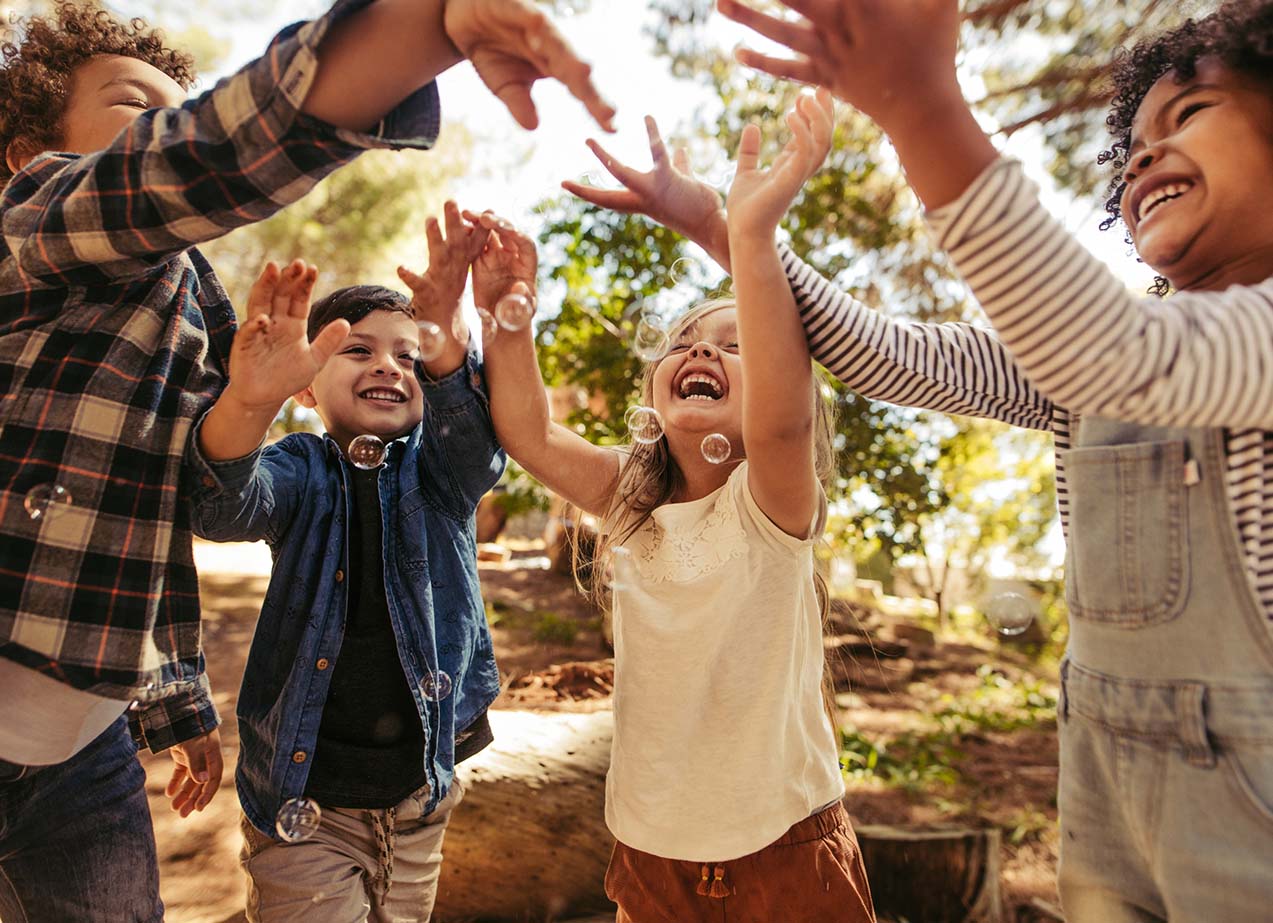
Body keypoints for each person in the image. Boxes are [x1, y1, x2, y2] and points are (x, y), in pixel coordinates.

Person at [577, 0, 1273, 918]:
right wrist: (724, 229)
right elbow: (885, 352)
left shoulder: (1217, 336)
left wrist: (922, 109)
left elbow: (1120, 353)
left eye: (1186, 115)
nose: (1140, 155)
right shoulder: (1081, 363)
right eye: (1130, 144)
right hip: (1106, 790)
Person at [0, 0, 611, 919]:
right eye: (137, 105)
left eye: (180, 103)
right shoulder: (31, 219)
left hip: (88, 747)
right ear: (25, 151)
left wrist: (177, 704)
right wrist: (410, 34)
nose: (165, 123)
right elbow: (220, 498)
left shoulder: (198, 304)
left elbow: (147, 521)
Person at [477, 93, 875, 923]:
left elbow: (782, 409)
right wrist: (505, 318)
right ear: (657, 390)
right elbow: (529, 432)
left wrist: (749, 233)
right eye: (688, 339)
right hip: (650, 847)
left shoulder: (769, 497)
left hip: (785, 849)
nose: (702, 348)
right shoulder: (632, 500)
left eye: (736, 343)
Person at [189, 204, 502, 922]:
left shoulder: (439, 472)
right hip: (307, 801)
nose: (388, 365)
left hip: (420, 794)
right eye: (357, 351)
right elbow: (220, 507)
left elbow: (478, 447)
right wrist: (247, 398)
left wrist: (449, 337)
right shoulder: (301, 467)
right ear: (305, 385)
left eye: (409, 355)